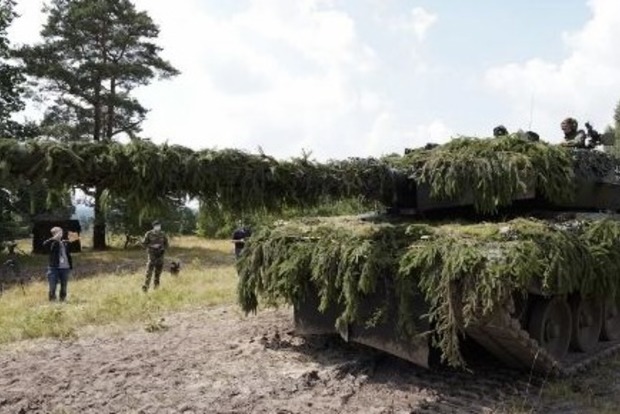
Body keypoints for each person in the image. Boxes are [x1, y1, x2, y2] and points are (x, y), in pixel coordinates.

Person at [42, 226, 74, 302]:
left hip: (65, 267)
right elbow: (44, 245)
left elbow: (70, 250)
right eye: (59, 232)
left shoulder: (64, 243)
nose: (61, 234)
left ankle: (63, 300)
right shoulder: (51, 243)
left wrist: (70, 267)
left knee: (64, 286)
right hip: (54, 268)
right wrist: (54, 238)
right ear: (54, 234)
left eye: (61, 232)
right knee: (52, 286)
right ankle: (52, 301)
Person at [141, 220, 169, 292]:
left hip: (160, 255)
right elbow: (144, 244)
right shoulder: (149, 234)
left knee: (158, 272)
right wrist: (152, 246)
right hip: (152, 255)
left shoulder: (163, 234)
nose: (158, 227)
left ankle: (156, 288)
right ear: (153, 226)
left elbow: (167, 244)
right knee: (149, 272)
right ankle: (146, 287)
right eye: (156, 226)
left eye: (159, 225)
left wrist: (162, 248)